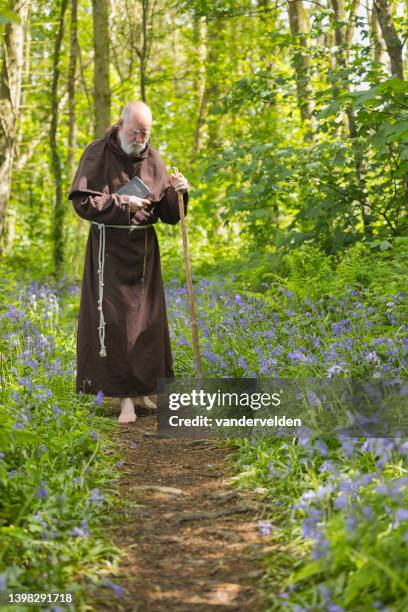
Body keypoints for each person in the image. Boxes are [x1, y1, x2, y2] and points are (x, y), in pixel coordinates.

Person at [68, 101, 188, 424]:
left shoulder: (153, 159)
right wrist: (121, 203)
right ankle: (123, 401)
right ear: (121, 125)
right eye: (135, 132)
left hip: (145, 255)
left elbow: (168, 215)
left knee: (147, 325)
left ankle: (143, 392)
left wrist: (180, 193)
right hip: (109, 253)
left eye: (145, 133)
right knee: (116, 324)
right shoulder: (97, 153)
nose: (140, 139)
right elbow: (82, 202)